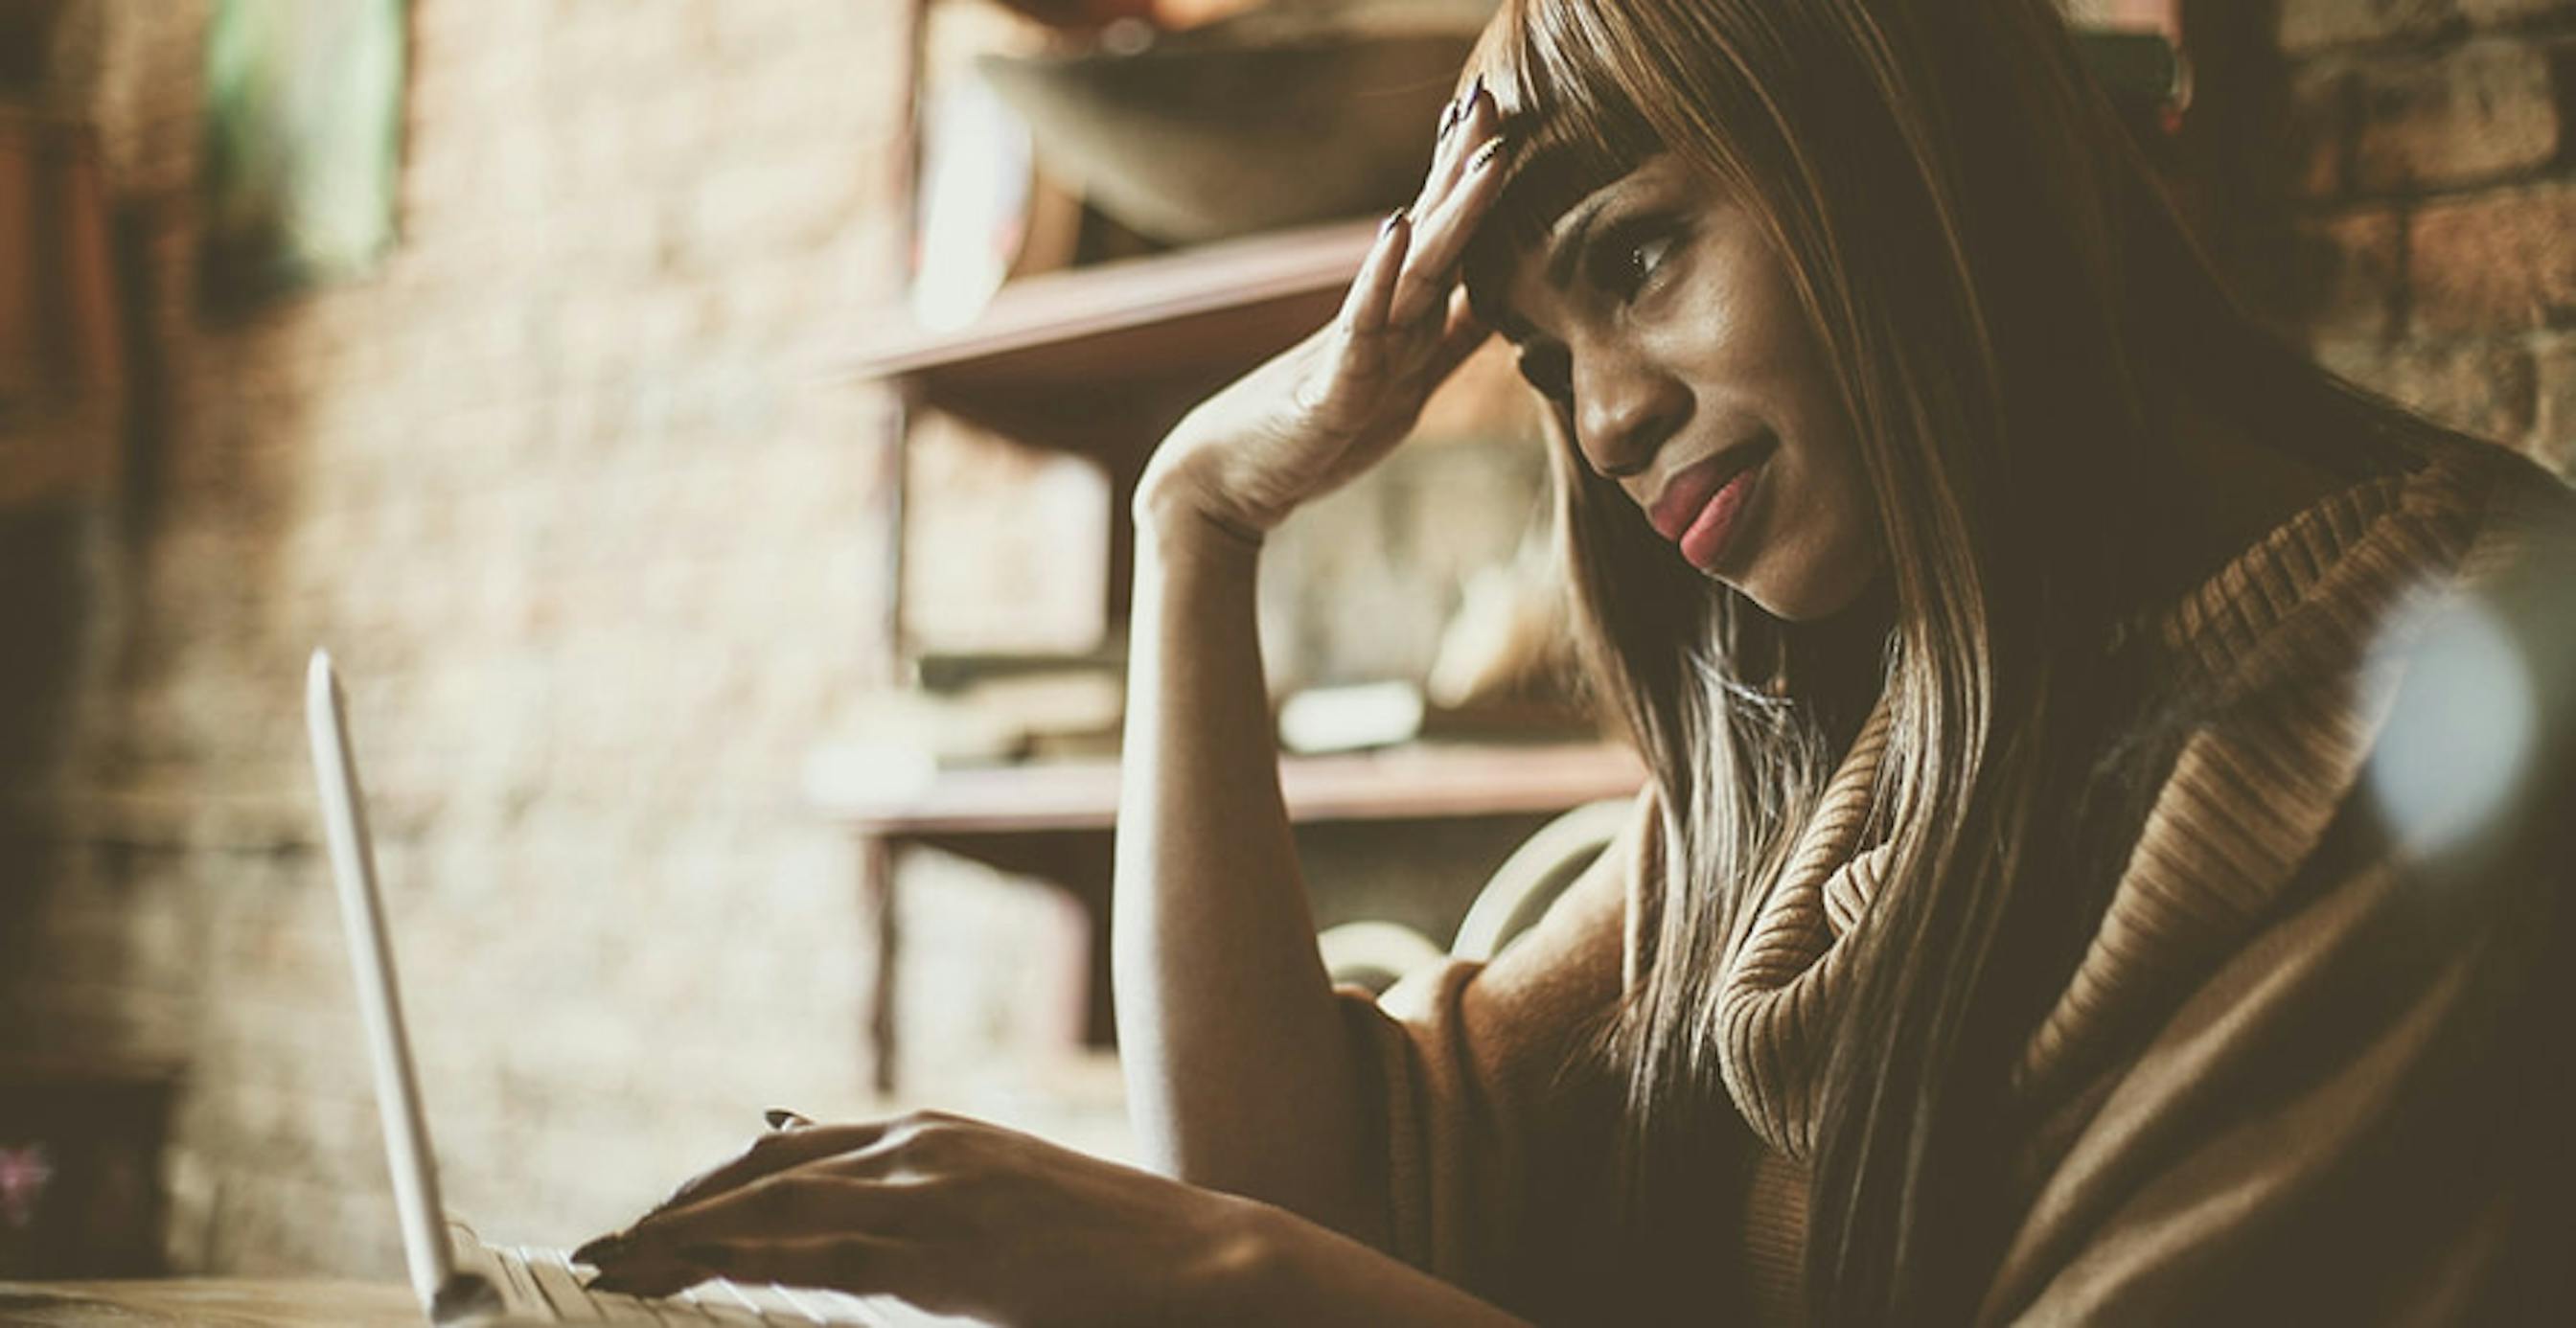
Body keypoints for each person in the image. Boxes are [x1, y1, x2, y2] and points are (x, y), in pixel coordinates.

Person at [574, 0, 2576, 1322]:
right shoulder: (1856, 759)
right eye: (1543, 355)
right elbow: (1298, 1178)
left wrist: (1219, 1278)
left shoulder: (2447, 698)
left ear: (1896, 154)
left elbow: (1260, 1245)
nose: (1600, 423)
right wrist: (1192, 523)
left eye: (1631, 259)